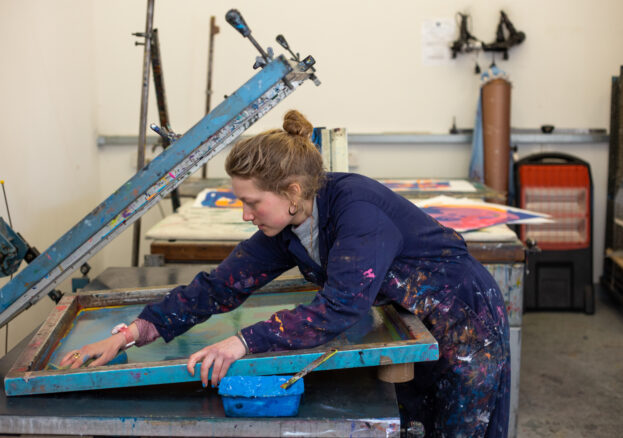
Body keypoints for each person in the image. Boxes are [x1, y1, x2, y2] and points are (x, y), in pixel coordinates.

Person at [61, 110, 510, 437]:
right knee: (412, 421)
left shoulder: (357, 212)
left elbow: (339, 307)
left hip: (462, 321)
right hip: (409, 321)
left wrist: (243, 341)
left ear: (291, 191)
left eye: (252, 202)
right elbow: (219, 287)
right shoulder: (290, 225)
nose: (245, 214)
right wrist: (131, 332)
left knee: (452, 428)